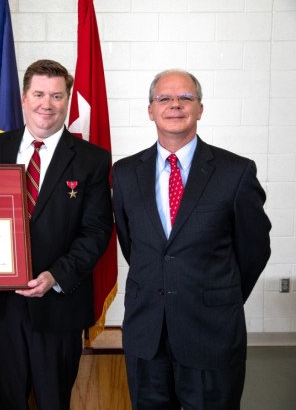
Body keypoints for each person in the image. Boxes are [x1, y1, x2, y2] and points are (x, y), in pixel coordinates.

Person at [112, 69, 272, 409]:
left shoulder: (236, 172)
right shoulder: (125, 174)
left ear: (200, 109)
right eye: (164, 98)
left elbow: (254, 248)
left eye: (186, 98)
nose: (175, 105)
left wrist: (218, 293)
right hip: (147, 335)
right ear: (150, 110)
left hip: (210, 332)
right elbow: (134, 246)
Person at [0, 59, 114, 410]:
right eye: (38, 94)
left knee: (53, 402)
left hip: (58, 305)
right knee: (5, 402)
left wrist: (55, 276)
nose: (46, 104)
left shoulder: (92, 159)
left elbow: (96, 231)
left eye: (56, 95)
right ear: (23, 98)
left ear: (67, 100)